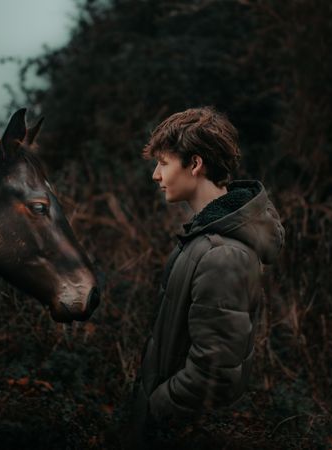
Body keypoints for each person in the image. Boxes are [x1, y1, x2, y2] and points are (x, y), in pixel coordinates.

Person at [131, 106, 285, 443]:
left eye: (164, 162)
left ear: (195, 164)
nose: (155, 175)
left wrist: (158, 407)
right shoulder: (204, 239)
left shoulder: (223, 254)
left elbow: (216, 374)